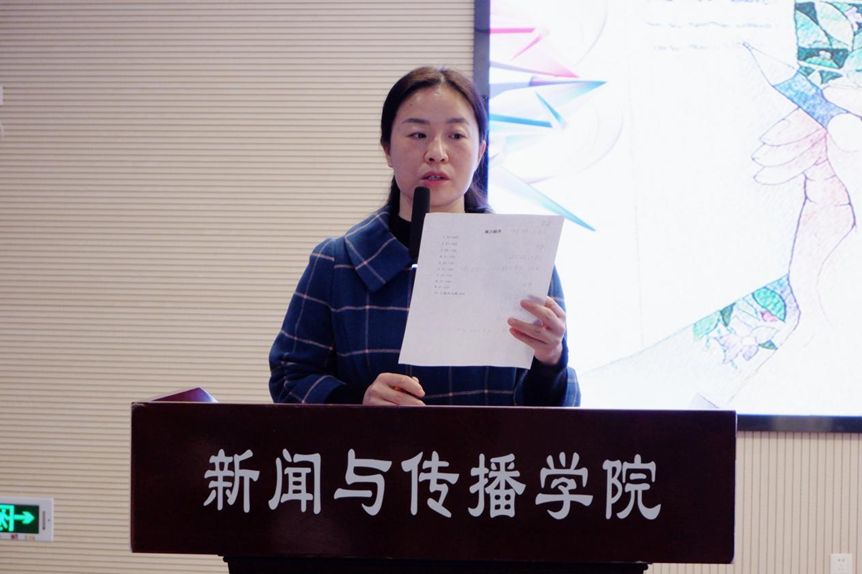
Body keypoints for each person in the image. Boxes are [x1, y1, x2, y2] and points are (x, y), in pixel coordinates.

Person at [269, 66, 578, 407]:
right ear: (387, 149)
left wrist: (551, 361)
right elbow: (289, 378)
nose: (436, 152)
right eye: (417, 134)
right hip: (379, 445)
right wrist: (358, 401)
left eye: (456, 135)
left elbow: (561, 413)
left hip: (490, 445)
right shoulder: (336, 263)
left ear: (480, 151)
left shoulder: (525, 258)